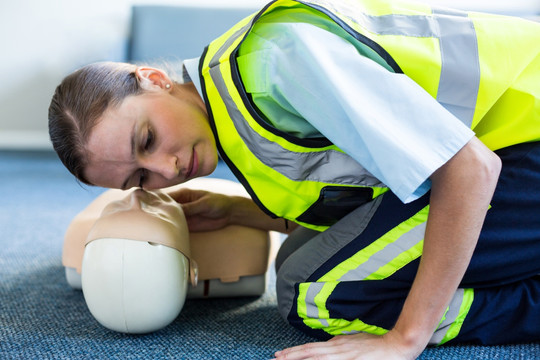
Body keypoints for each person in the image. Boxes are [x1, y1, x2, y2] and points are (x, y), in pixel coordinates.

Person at [48, 0, 540, 358]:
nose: (167, 172)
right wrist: (244, 211)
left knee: (315, 294)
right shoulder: (226, 106)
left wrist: (405, 338)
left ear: (152, 80)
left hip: (519, 149)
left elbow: (470, 168)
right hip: (507, 152)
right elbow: (375, 187)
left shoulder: (274, 63)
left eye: (147, 140)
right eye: (139, 179)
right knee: (297, 259)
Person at [66, 178, 276, 334]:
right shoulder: (243, 242)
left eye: (116, 209)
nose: (136, 195)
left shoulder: (79, 234)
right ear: (191, 273)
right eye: (158, 213)